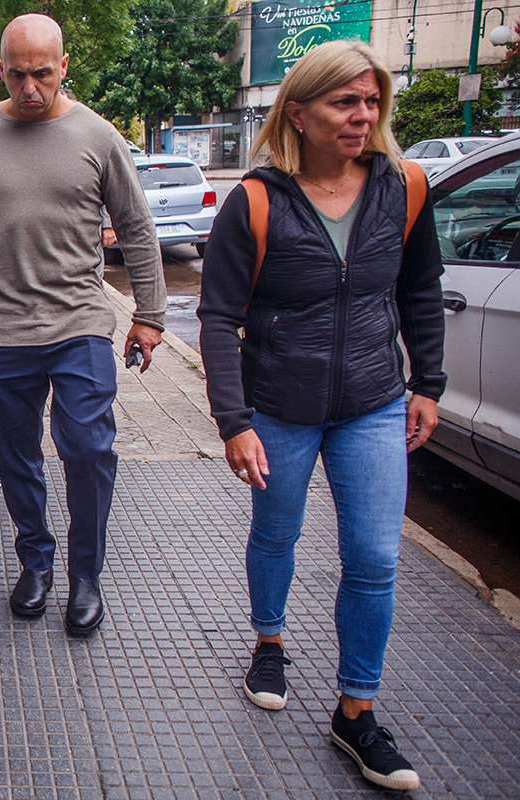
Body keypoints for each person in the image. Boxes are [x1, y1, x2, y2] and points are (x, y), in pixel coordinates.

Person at [197, 40, 446, 791]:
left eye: (371, 101)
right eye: (345, 102)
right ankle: (269, 641)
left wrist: (427, 382)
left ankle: (356, 713)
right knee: (277, 532)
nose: (362, 116)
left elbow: (421, 291)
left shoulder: (404, 187)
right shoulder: (258, 199)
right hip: (280, 406)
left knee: (374, 560)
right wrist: (234, 420)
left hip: (373, 403)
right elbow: (216, 317)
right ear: (298, 113)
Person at [0, 15, 165, 636]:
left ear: (63, 66)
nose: (30, 85)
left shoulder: (97, 134)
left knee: (89, 450)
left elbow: (137, 227)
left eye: (43, 72)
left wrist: (149, 314)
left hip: (80, 322)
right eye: (17, 73)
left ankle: (86, 574)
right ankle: (35, 560)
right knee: (15, 455)